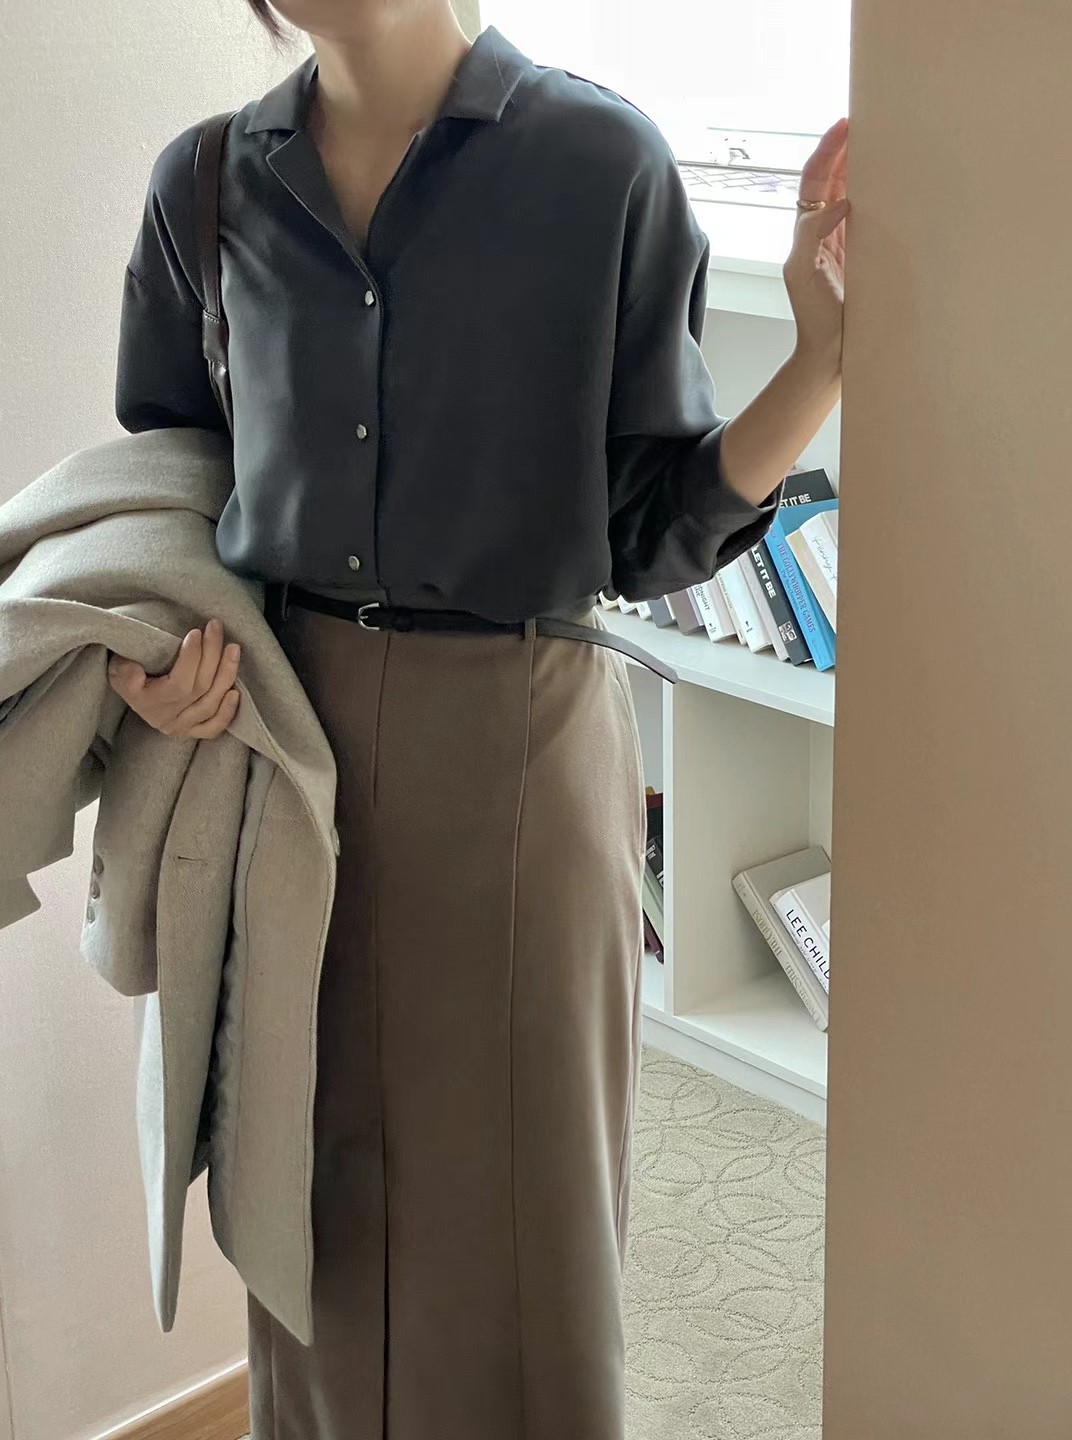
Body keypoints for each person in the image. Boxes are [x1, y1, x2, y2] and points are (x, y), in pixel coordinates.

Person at [107, 2, 847, 1435]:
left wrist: (819, 359)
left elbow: (649, 523)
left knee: (525, 1200)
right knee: (301, 1179)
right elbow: (169, 481)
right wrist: (154, 662)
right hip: (286, 733)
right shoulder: (203, 183)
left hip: (520, 732)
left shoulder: (601, 163)